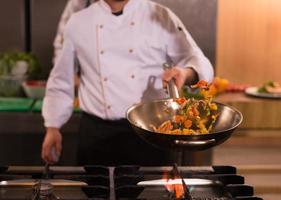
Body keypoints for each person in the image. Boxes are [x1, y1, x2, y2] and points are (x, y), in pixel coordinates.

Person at [41, 0, 214, 166]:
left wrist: (186, 73)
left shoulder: (161, 16)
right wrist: (53, 126)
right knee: (96, 194)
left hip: (152, 132)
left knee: (155, 195)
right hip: (96, 136)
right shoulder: (78, 22)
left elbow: (196, 59)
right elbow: (61, 79)